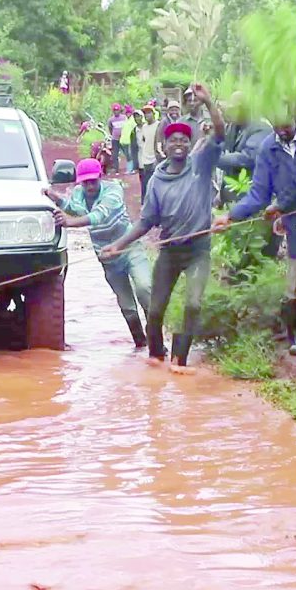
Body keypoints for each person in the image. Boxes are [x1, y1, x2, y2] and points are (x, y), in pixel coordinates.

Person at [101, 83, 224, 374]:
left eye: (184, 139)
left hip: (198, 249)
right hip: (169, 250)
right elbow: (146, 221)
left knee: (193, 304)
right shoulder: (156, 180)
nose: (179, 143)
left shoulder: (201, 164)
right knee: (155, 311)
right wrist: (118, 244)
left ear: (188, 143)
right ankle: (156, 355)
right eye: (173, 140)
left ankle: (180, 361)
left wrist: (208, 103)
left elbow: (220, 134)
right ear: (164, 147)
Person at [212, 115, 296, 354]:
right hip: (294, 218)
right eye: (276, 123)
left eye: (285, 122)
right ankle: (295, 333)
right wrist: (231, 216)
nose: (280, 129)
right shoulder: (268, 147)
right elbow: (259, 194)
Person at [46, 159, 152, 347]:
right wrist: (56, 198)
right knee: (126, 305)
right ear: (79, 182)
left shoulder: (114, 190)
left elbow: (98, 215)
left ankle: (157, 341)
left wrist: (69, 222)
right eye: (86, 182)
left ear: (100, 178)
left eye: (93, 181)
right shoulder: (78, 193)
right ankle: (141, 344)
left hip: (129, 247)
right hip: (107, 257)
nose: (90, 186)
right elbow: (74, 208)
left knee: (145, 289)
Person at [136, 104, 161, 200]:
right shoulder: (144, 127)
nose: (147, 115)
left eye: (149, 113)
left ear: (153, 114)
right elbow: (143, 140)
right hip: (145, 158)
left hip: (155, 158)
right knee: (145, 182)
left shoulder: (158, 125)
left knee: (156, 182)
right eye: (145, 113)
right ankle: (145, 202)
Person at [107, 103, 127, 174]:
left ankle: (129, 167)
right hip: (115, 139)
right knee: (114, 154)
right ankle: (116, 169)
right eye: (114, 110)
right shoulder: (111, 120)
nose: (116, 112)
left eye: (117, 110)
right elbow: (110, 128)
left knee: (127, 153)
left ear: (120, 110)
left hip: (124, 139)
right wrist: (113, 134)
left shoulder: (124, 118)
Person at [120, 106, 139, 173]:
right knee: (127, 156)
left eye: (129, 113)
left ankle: (131, 169)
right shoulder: (125, 120)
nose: (128, 114)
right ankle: (130, 168)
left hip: (130, 140)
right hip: (123, 140)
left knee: (130, 155)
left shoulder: (133, 120)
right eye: (127, 113)